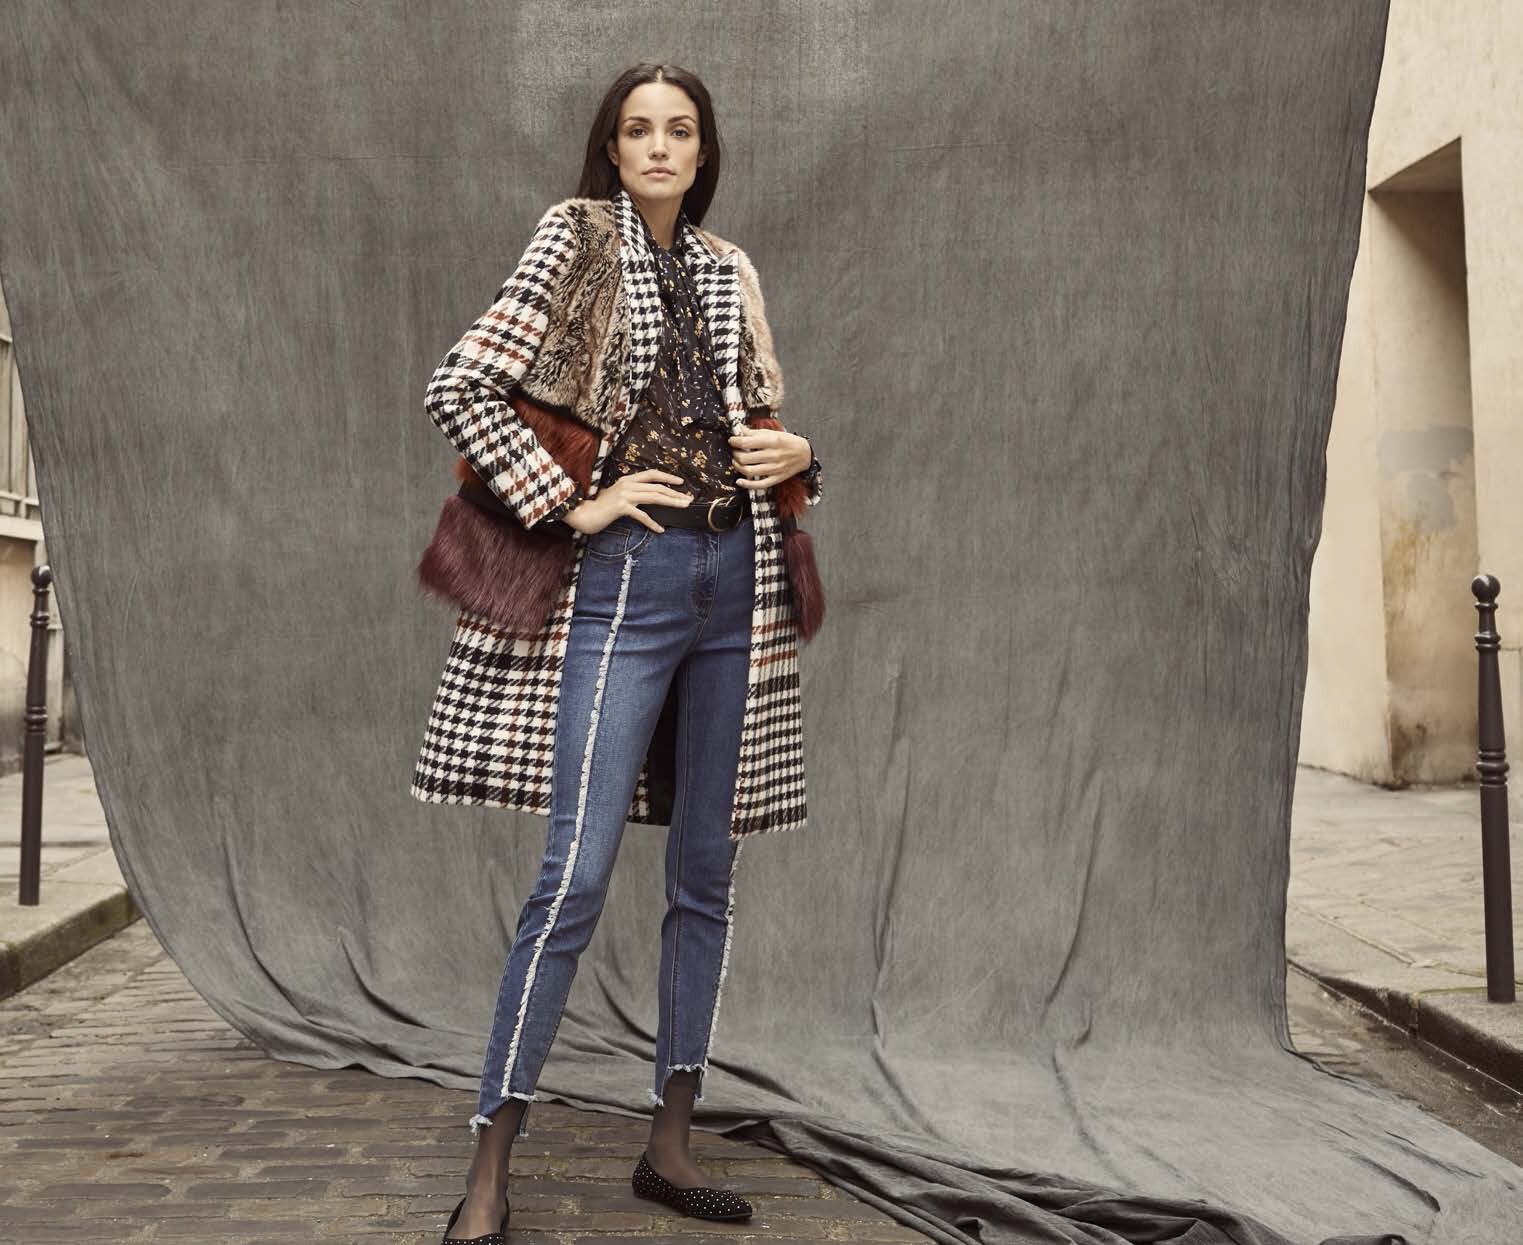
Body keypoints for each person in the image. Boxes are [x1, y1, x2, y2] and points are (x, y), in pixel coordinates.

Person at [418, 63, 823, 1242]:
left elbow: (751, 427)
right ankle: (488, 1172)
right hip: (627, 582)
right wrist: (568, 504)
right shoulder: (578, 239)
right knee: (576, 875)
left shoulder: (728, 269)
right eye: (637, 129)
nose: (657, 147)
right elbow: (460, 385)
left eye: (678, 130)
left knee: (704, 873)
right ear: (611, 147)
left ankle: (669, 1146)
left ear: (702, 151)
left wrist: (800, 454)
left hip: (733, 580)